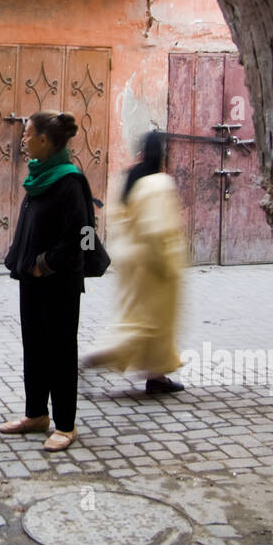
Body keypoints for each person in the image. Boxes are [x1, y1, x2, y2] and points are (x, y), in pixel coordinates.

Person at [0, 111, 91, 452]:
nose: (23, 139)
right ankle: (36, 415)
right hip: (32, 282)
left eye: (28, 133)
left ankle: (66, 425)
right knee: (34, 349)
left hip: (60, 285)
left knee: (61, 353)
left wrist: (45, 264)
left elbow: (84, 237)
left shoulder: (70, 181)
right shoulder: (38, 177)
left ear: (44, 141)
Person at [81, 131, 189, 394]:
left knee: (143, 319)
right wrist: (168, 265)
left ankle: (157, 376)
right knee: (148, 323)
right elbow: (157, 230)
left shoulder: (129, 177)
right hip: (152, 263)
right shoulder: (159, 184)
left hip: (130, 260)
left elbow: (118, 219)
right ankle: (93, 358)